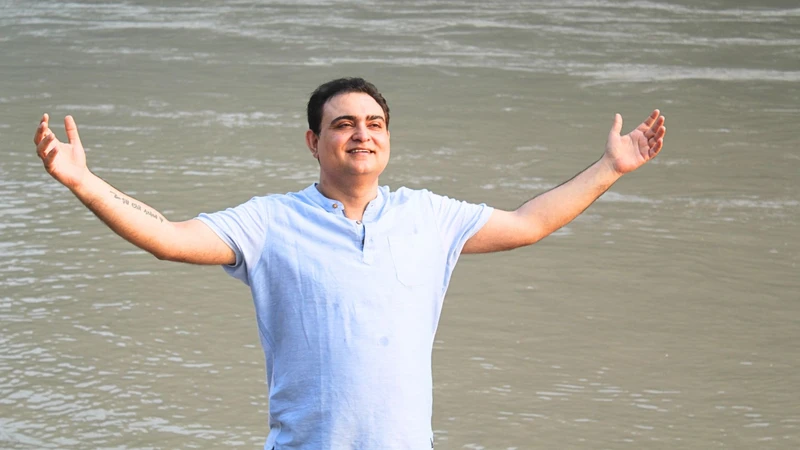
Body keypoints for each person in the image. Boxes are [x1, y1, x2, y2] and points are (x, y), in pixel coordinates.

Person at [34, 77, 666, 449]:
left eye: (375, 123)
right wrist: (85, 182)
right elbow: (168, 238)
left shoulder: (429, 216)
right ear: (314, 142)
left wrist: (611, 167)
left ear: (388, 138)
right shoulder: (269, 221)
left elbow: (529, 224)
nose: (362, 133)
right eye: (343, 124)